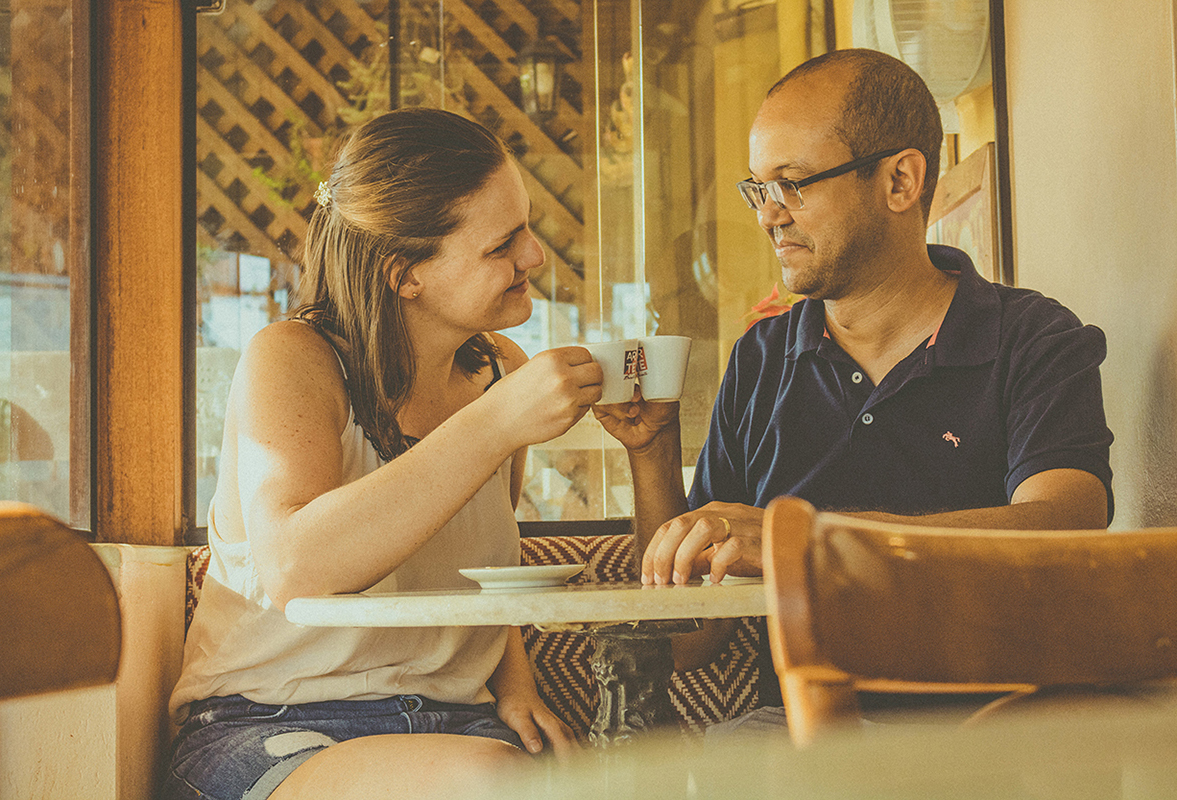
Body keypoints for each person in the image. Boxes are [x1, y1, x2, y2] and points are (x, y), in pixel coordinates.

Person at [164, 108, 602, 800]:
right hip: (272, 720)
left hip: (455, 724)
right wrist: (494, 425)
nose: (534, 257)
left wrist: (515, 685)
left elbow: (479, 571)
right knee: (491, 785)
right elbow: (293, 568)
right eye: (502, 245)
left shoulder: (500, 373)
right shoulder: (293, 360)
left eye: (527, 228)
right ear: (405, 275)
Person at [595, 47, 1114, 592]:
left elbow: (1065, 528)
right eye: (758, 189)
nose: (768, 215)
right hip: (804, 680)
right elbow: (691, 644)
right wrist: (652, 454)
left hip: (997, 680)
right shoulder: (761, 358)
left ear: (899, 181)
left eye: (790, 184)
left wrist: (800, 540)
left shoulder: (1033, 339)